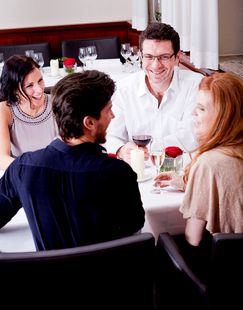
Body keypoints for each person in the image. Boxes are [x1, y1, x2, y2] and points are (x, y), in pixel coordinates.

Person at [0, 70, 145, 251]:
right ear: (89, 123)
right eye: (108, 110)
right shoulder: (118, 173)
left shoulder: (22, 168)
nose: (113, 116)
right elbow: (133, 234)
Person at [155, 72, 243, 247]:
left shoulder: (209, 163)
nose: (193, 113)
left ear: (223, 116)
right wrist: (187, 183)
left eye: (201, 109)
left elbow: (193, 239)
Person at [104, 22, 203, 163]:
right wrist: (121, 149)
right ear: (140, 56)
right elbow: (111, 135)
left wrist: (149, 148)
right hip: (137, 172)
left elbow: (192, 136)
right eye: (149, 57)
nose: (156, 65)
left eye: (164, 57)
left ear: (177, 58)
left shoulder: (196, 85)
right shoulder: (124, 89)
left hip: (181, 170)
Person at [0, 54, 58, 170]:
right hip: (24, 175)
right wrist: (34, 171)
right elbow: (2, 159)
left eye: (40, 80)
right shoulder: (4, 110)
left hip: (58, 171)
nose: (39, 89)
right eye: (29, 85)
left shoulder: (58, 102)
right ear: (14, 89)